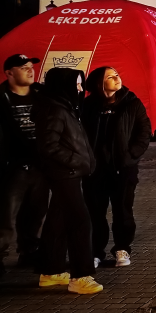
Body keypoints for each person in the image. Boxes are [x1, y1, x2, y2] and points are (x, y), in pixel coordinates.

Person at [33, 68, 102, 294]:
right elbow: (49, 146)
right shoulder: (54, 109)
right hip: (65, 173)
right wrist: (74, 161)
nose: (81, 89)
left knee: (58, 219)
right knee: (80, 222)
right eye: (77, 85)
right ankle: (81, 276)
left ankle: (51, 271)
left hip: (70, 172)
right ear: (64, 86)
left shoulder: (65, 107)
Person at [81, 66, 151, 269]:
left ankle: (122, 248)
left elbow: (143, 132)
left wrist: (131, 156)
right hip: (95, 170)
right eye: (110, 77)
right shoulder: (88, 106)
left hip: (123, 168)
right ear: (99, 83)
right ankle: (95, 252)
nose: (116, 78)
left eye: (117, 75)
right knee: (95, 212)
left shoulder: (132, 104)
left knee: (123, 211)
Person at [1, 54, 48, 276]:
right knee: (6, 215)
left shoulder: (41, 96)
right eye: (23, 67)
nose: (30, 71)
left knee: (36, 212)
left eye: (31, 67)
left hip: (39, 165)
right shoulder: (2, 98)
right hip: (12, 167)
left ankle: (29, 251)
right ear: (9, 73)